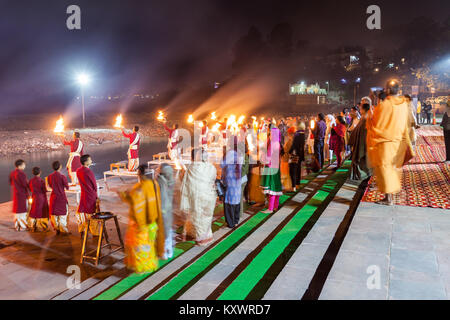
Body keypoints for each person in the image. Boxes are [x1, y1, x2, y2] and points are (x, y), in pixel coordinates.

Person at [366, 80, 410, 206]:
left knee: (385, 168)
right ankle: (390, 196)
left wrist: (370, 122)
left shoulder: (385, 105)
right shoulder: (403, 104)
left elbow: (378, 123)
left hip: (385, 141)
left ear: (388, 90)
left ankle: (388, 198)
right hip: (398, 141)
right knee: (393, 168)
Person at [119, 165, 165, 273]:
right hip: (153, 222)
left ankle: (142, 267)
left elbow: (135, 203)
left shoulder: (140, 188)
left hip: (141, 224)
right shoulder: (154, 184)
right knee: (149, 245)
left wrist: (123, 195)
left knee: (138, 246)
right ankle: (150, 264)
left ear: (141, 175)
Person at [180, 149, 217, 246]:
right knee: (205, 217)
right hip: (209, 196)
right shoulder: (211, 167)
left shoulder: (192, 167)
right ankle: (204, 236)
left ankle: (201, 238)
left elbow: (184, 180)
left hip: (197, 196)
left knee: (197, 217)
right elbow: (213, 179)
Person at [76, 154, 99, 237]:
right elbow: (94, 185)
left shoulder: (78, 171)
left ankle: (82, 229)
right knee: (92, 213)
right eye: (90, 160)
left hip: (83, 193)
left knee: (82, 211)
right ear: (86, 162)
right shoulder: (89, 172)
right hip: (91, 194)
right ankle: (94, 232)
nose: (91, 161)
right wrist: (96, 193)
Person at [261, 126, 282, 214]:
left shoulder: (272, 144)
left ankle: (270, 208)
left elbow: (268, 157)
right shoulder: (278, 143)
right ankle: (275, 206)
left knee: (271, 187)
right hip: (277, 167)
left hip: (270, 168)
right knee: (276, 187)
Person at [157, 163, 175, 260]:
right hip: (165, 209)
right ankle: (167, 250)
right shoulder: (167, 181)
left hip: (164, 209)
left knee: (164, 231)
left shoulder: (161, 181)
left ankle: (165, 251)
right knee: (166, 230)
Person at [349, 104, 371, 180]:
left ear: (363, 110)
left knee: (363, 161)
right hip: (362, 143)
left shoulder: (365, 118)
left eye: (360, 109)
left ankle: (366, 176)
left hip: (363, 143)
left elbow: (361, 133)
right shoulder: (364, 118)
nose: (360, 110)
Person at [47, 161, 70, 234]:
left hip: (53, 197)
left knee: (54, 214)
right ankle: (63, 230)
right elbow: (67, 187)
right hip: (61, 197)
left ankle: (56, 228)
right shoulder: (62, 176)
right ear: (60, 167)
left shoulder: (49, 177)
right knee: (63, 214)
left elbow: (50, 186)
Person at [221, 148, 241, 228]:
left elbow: (222, 165)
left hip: (230, 188)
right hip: (237, 188)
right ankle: (236, 221)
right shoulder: (237, 157)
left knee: (229, 206)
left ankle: (231, 223)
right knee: (236, 204)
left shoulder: (229, 166)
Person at [9, 159, 29, 231]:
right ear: (20, 166)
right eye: (24, 164)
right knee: (23, 211)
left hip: (15, 194)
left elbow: (11, 182)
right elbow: (25, 184)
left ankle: (17, 226)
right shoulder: (21, 174)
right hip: (22, 194)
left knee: (17, 211)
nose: (24, 166)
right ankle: (23, 226)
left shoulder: (12, 173)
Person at [28, 167, 49, 232]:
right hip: (41, 198)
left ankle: (33, 226)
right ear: (40, 172)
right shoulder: (41, 181)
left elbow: (30, 189)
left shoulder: (31, 181)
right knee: (43, 212)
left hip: (34, 197)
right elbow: (45, 190)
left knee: (34, 211)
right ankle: (44, 227)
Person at [289, 122, 306, 191]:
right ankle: (297, 184)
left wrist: (289, 151)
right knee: (298, 169)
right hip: (301, 154)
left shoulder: (297, 134)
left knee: (292, 170)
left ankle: (293, 187)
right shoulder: (303, 134)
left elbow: (294, 145)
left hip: (295, 154)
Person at [280, 126, 294, 192]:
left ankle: (287, 187)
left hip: (286, 158)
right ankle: (288, 186)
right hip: (288, 158)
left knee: (285, 172)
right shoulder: (292, 140)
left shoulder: (290, 141)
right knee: (286, 172)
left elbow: (286, 150)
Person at [440, 97, 450, 163]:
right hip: (446, 128)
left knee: (448, 144)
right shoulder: (446, 112)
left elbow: (443, 122)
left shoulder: (447, 112)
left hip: (447, 129)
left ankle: (448, 159)